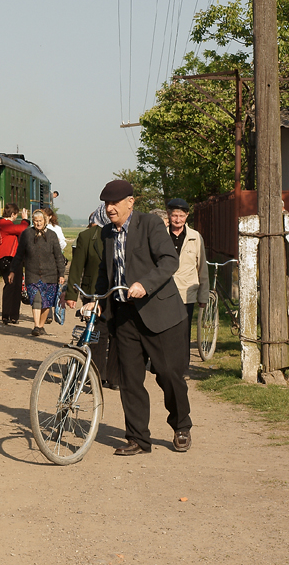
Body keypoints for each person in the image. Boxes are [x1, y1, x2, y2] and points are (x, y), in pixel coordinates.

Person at [88, 179, 192, 456]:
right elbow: (104, 272)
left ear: (130, 202)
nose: (110, 209)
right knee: (130, 380)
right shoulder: (107, 233)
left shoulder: (150, 224)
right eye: (106, 204)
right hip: (124, 316)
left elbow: (169, 260)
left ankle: (181, 424)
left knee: (169, 375)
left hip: (159, 313)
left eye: (115, 203)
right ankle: (137, 439)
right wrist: (97, 301)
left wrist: (145, 284)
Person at [66, 204, 119, 388]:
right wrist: (71, 293)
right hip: (94, 292)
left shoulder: (119, 234)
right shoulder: (86, 237)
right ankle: (96, 375)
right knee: (98, 333)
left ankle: (114, 377)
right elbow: (77, 266)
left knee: (116, 333)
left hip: (116, 291)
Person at [8, 210, 66, 337]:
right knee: (36, 299)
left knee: (47, 302)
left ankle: (41, 325)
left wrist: (61, 274)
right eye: (35, 221)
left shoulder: (51, 235)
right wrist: (12, 270)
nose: (38, 223)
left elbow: (58, 256)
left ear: (45, 221)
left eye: (40, 221)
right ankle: (36, 326)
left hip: (50, 274)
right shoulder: (27, 234)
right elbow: (19, 254)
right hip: (32, 273)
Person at [166, 198, 209, 367]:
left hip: (187, 292)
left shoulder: (195, 237)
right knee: (165, 330)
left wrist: (203, 295)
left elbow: (202, 268)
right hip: (164, 291)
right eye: (174, 215)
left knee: (183, 331)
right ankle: (164, 364)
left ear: (187, 216)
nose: (177, 219)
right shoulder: (160, 235)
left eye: (181, 216)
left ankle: (183, 366)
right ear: (169, 215)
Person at [0, 203, 29, 325]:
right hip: (7, 257)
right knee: (10, 285)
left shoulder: (5, 224)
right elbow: (22, 229)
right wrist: (25, 219)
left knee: (17, 286)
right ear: (13, 214)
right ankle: (6, 315)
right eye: (16, 216)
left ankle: (14, 315)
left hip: (14, 257)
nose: (16, 218)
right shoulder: (3, 224)